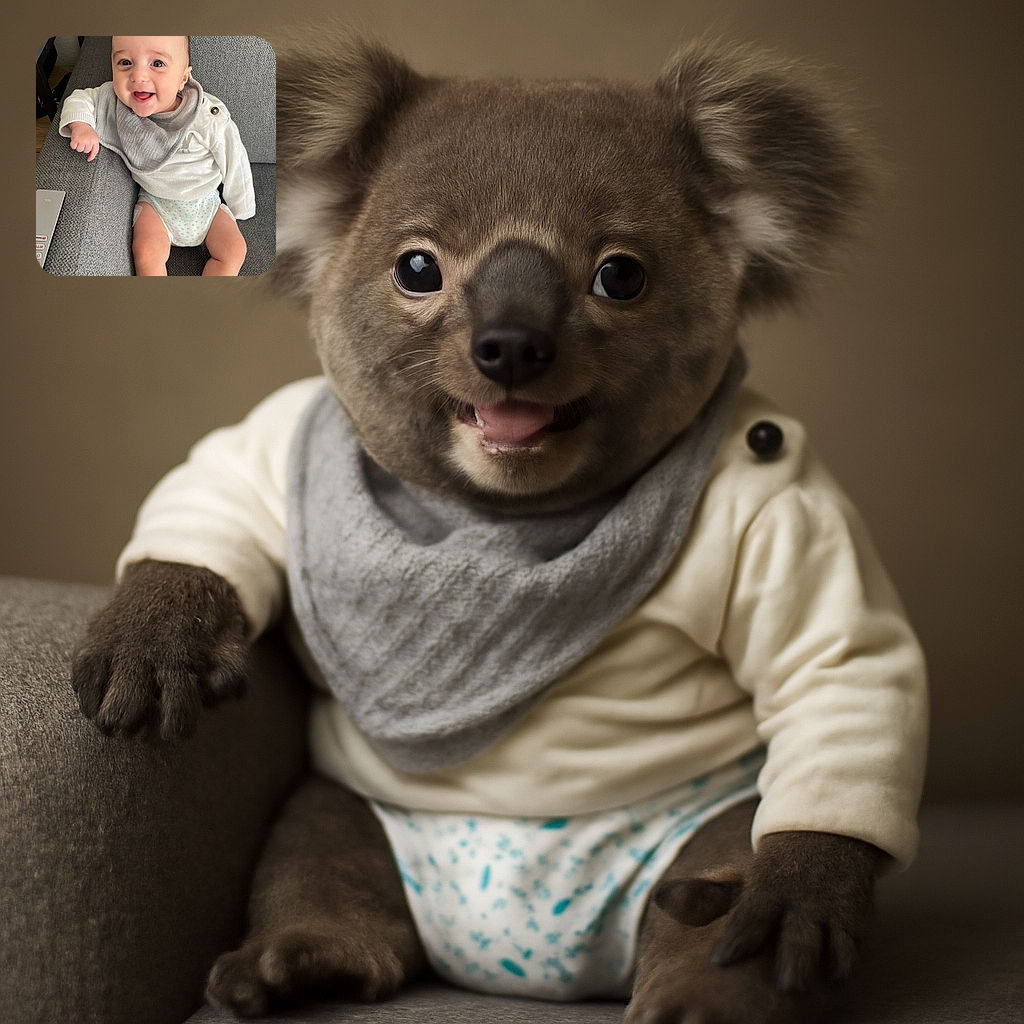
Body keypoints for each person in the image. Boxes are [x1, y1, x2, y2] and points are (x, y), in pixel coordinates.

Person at [59, 35, 254, 276]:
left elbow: (235, 159)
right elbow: (80, 98)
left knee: (234, 250)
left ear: (183, 77)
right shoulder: (114, 101)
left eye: (157, 64)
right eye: (125, 63)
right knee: (146, 253)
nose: (138, 76)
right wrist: (82, 125)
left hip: (207, 204)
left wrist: (241, 206)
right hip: (156, 205)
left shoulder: (207, 116)